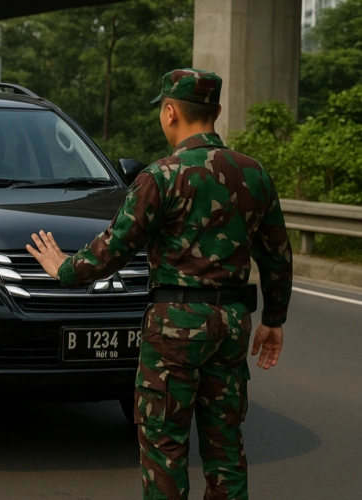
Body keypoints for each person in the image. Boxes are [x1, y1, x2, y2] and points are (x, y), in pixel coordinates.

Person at [26, 69, 292, 499]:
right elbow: (277, 255)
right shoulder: (255, 174)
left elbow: (114, 247)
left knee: (164, 446)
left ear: (170, 112)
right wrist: (274, 319)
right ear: (217, 112)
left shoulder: (161, 176)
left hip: (174, 328)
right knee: (226, 450)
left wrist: (64, 269)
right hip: (232, 324)